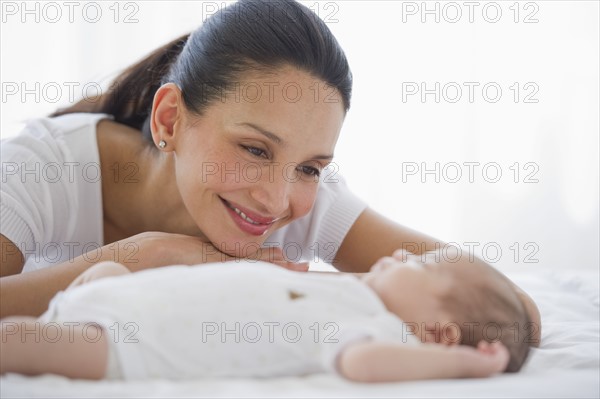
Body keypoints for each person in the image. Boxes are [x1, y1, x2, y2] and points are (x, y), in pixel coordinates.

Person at [0, 0, 541, 344]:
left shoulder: (303, 202)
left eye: (309, 166)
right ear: (170, 119)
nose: (277, 200)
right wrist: (148, 257)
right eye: (255, 149)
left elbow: (516, 316)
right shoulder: (43, 170)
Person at [0, 248, 530, 382]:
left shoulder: (379, 330)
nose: (397, 254)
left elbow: (362, 366)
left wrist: (463, 366)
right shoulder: (356, 294)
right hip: (124, 296)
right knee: (110, 267)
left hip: (125, 343)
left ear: (439, 333)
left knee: (20, 341)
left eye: (416, 264)